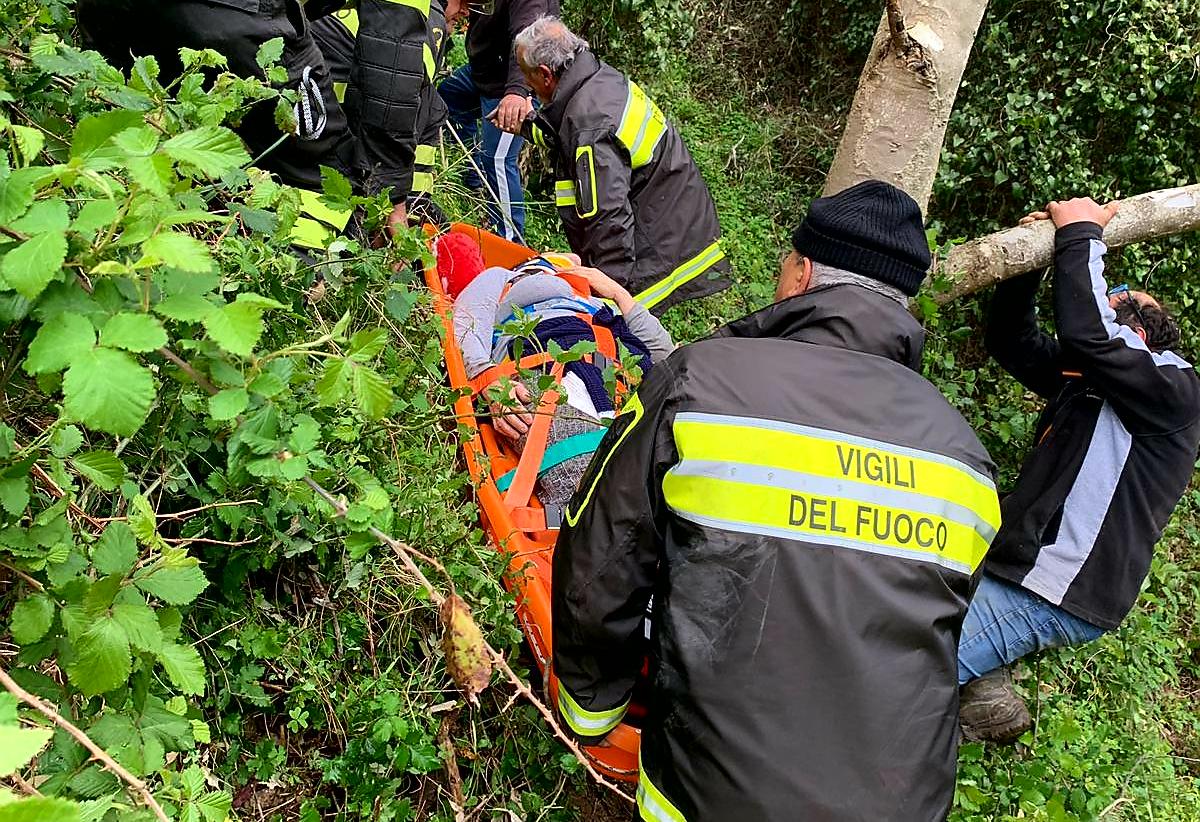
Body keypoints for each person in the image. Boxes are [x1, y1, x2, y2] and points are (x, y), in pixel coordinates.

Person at [552, 180, 1002, 820]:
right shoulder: (967, 462)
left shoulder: (702, 383)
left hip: (713, 797)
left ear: (803, 273)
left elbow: (600, 562)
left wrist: (591, 707)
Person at [957, 197, 1200, 742]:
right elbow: (1011, 341)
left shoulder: (1174, 389)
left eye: (1114, 300)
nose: (1102, 301)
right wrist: (1031, 261)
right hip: (1024, 569)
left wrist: (1083, 232)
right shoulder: (1089, 383)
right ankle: (989, 696)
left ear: (1137, 331)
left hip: (1058, 586)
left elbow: (1091, 333)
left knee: (912, 673)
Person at [77, 0, 424, 238]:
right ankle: (304, 299)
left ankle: (113, 237)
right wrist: (386, 191)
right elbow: (392, 60)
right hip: (235, 13)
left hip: (107, 10)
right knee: (328, 182)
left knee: (150, 122)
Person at [513, 17, 731, 315]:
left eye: (527, 77)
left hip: (656, 241)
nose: (526, 85)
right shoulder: (595, 77)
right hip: (673, 216)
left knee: (631, 335)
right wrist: (527, 125)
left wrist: (606, 292)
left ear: (545, 74)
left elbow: (608, 216)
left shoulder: (589, 125)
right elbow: (563, 132)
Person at [438, 233, 673, 505]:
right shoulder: (502, 279)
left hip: (621, 370)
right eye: (555, 260)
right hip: (546, 364)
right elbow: (467, 324)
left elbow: (666, 356)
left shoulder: (597, 301)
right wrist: (491, 383)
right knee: (590, 485)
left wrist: (620, 295)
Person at [310, 0, 465, 224]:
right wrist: (393, 200)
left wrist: (417, 202)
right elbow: (394, 104)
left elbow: (426, 111)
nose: (466, 11)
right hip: (322, 146)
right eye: (467, 1)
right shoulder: (424, 20)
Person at [438, 0, 558, 241]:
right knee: (446, 101)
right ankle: (475, 185)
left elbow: (530, 40)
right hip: (483, 73)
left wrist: (517, 92)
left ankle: (511, 240)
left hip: (512, 86)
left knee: (499, 159)